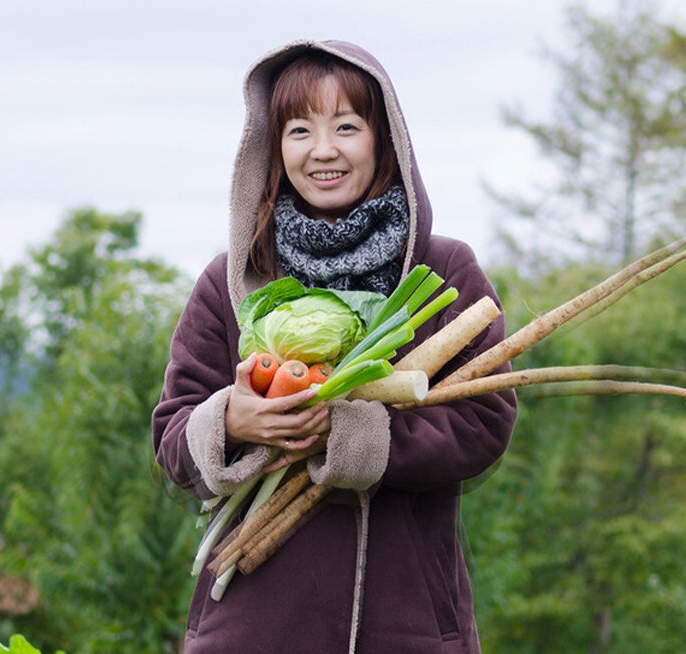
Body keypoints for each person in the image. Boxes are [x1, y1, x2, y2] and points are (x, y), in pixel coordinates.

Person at [152, 39, 517, 654]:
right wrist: (233, 421)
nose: (323, 150)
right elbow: (172, 437)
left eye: (346, 126)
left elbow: (483, 423)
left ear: (385, 139)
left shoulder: (441, 269)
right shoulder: (233, 280)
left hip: (407, 629)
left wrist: (351, 437)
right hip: (249, 629)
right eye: (299, 130)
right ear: (273, 146)